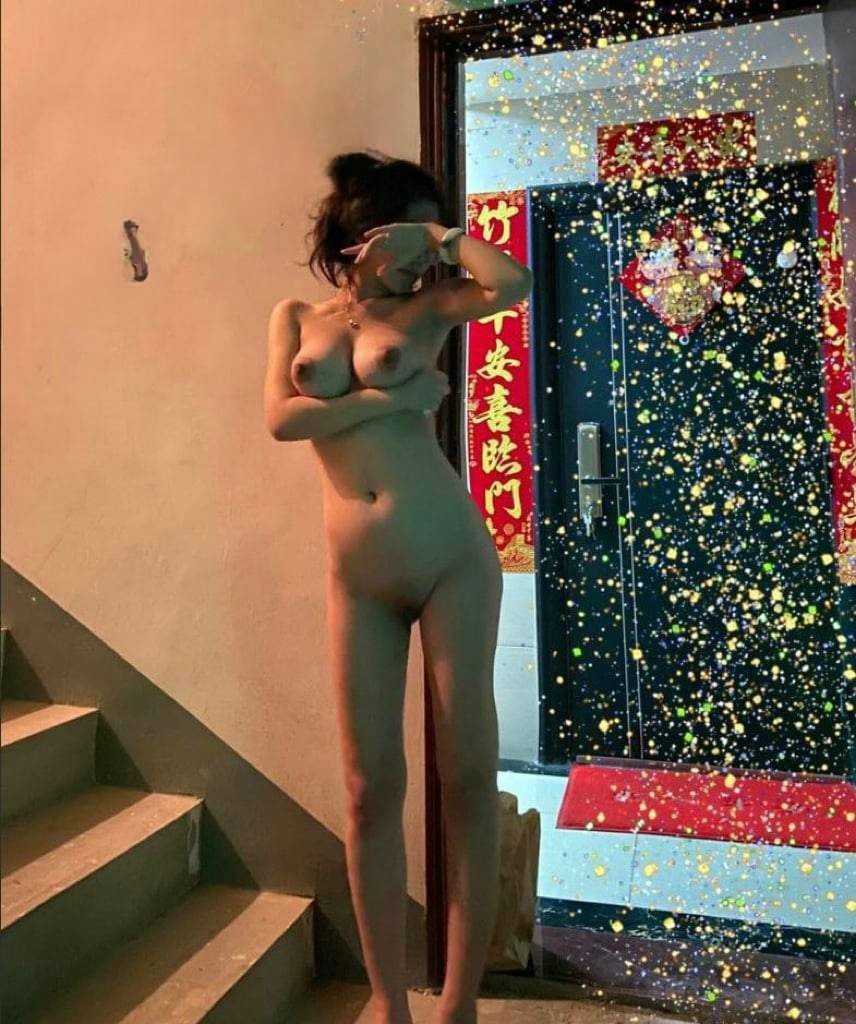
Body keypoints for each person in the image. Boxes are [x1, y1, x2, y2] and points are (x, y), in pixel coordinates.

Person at [263, 149, 533, 1024]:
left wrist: (446, 237)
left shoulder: (434, 304)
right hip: (359, 579)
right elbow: (281, 419)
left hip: (450, 558)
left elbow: (514, 283)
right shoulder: (296, 316)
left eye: (430, 241)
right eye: (406, 237)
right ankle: (388, 1002)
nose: (421, 259)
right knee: (367, 787)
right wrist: (396, 399)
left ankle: (458, 1004)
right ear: (361, 237)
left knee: (467, 774)